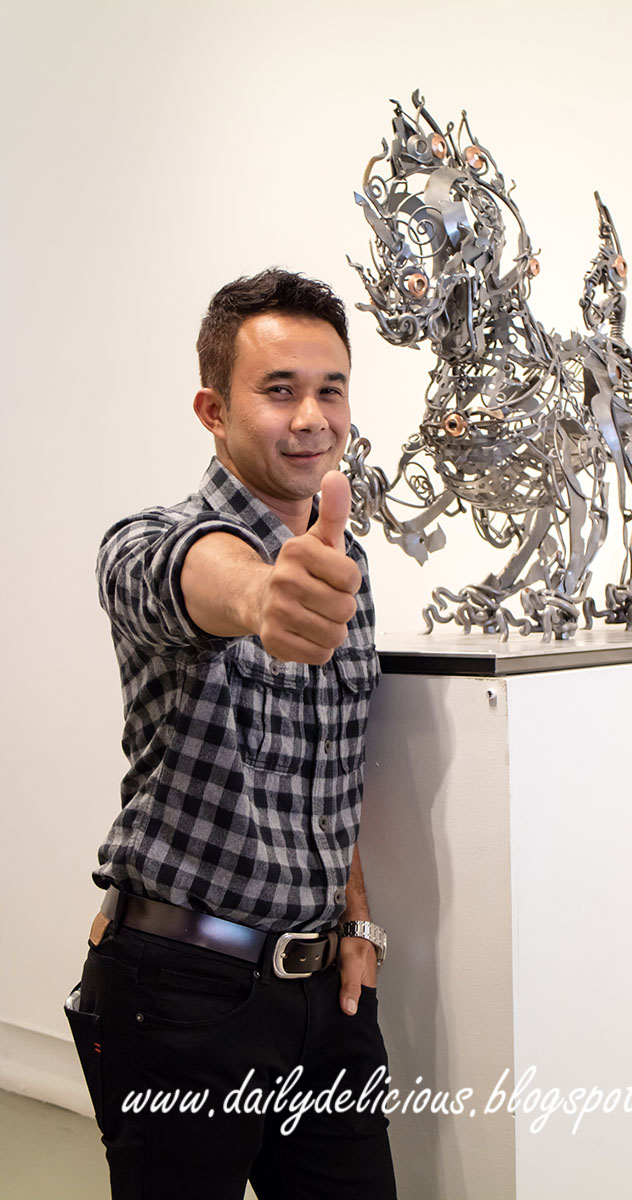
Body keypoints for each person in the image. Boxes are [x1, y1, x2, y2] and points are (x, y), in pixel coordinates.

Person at [65, 269, 396, 1200]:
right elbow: (198, 579)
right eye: (279, 390)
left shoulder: (344, 565)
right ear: (213, 410)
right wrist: (260, 597)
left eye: (331, 389)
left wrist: (355, 918)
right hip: (179, 991)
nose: (312, 418)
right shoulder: (148, 541)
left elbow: (329, 767)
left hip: (326, 997)